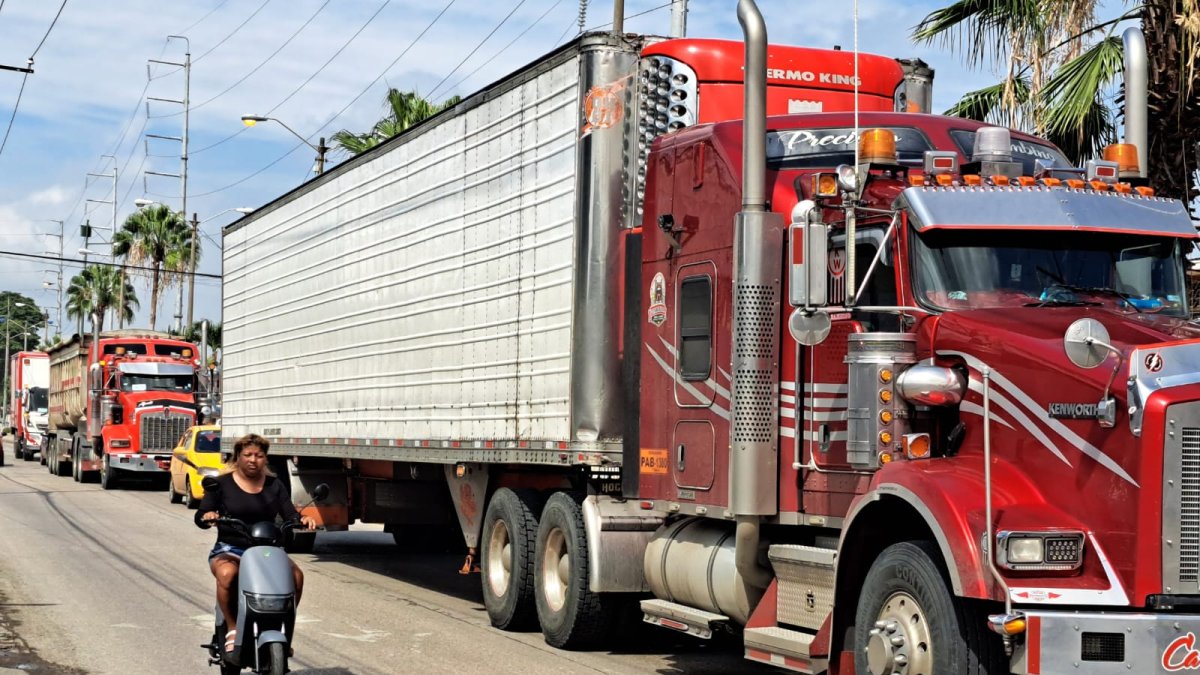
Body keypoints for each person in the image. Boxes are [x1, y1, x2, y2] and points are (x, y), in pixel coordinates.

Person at [195, 433, 317, 654]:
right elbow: (202, 514)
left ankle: (284, 630)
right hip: (230, 549)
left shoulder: (274, 484)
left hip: (266, 550)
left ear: (265, 458)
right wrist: (209, 516)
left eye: (259, 455)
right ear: (238, 457)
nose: (253, 460)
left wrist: (303, 520)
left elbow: (290, 514)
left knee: (296, 577)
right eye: (248, 455)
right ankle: (232, 627)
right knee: (227, 575)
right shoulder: (221, 484)